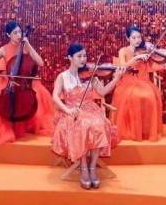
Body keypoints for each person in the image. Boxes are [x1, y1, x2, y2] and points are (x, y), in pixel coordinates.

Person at [0, 21, 54, 145]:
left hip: (24, 82)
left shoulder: (26, 47)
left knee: (38, 93)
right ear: (8, 35)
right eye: (15, 33)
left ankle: (26, 123)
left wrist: (28, 45)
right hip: (8, 81)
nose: (19, 35)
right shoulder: (3, 49)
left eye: (20, 32)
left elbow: (40, 63)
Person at [51, 43, 122, 189]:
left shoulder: (90, 75)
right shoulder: (63, 76)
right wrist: (68, 110)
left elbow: (102, 92)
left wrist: (116, 78)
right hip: (71, 111)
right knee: (82, 124)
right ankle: (83, 167)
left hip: (91, 109)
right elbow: (55, 97)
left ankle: (92, 167)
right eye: (79, 56)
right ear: (70, 57)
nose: (83, 59)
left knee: (99, 123)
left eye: (84, 55)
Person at [111, 26, 166, 141]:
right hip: (127, 82)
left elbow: (152, 67)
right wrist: (136, 58)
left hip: (143, 81)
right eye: (134, 37)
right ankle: (132, 130)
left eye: (139, 37)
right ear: (127, 38)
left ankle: (145, 130)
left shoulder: (145, 51)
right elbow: (122, 67)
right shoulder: (123, 51)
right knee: (136, 96)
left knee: (150, 96)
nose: (137, 40)